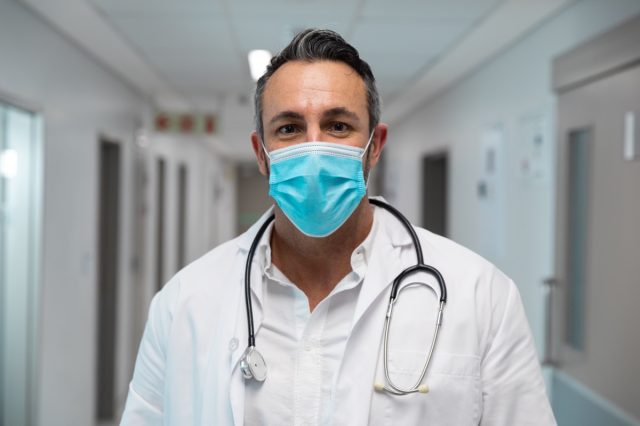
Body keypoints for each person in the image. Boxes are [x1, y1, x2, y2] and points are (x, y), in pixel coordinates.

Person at [121, 29, 556, 425]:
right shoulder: (183, 304)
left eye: (338, 126)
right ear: (261, 153)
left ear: (375, 146)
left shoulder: (481, 297)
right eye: (289, 128)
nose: (314, 147)